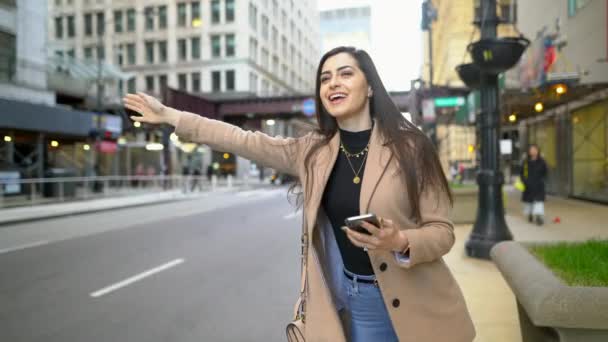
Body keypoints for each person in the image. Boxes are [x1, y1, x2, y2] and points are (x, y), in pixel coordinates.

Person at [123, 46, 475, 342]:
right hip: (355, 297)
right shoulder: (312, 152)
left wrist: (399, 240)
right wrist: (170, 115)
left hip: (415, 295)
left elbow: (442, 232)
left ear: (370, 87)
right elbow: (241, 139)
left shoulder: (412, 148)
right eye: (325, 78)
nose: (333, 82)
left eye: (345, 74)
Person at [520, 144, 548, 225]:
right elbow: (522, 173)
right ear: (529, 151)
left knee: (539, 202)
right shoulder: (525, 162)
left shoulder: (542, 161)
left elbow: (545, 173)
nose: (533, 151)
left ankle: (539, 217)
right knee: (529, 202)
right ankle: (530, 214)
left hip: (539, 185)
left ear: (538, 150)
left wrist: (542, 180)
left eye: (534, 149)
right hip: (528, 185)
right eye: (531, 150)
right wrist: (524, 181)